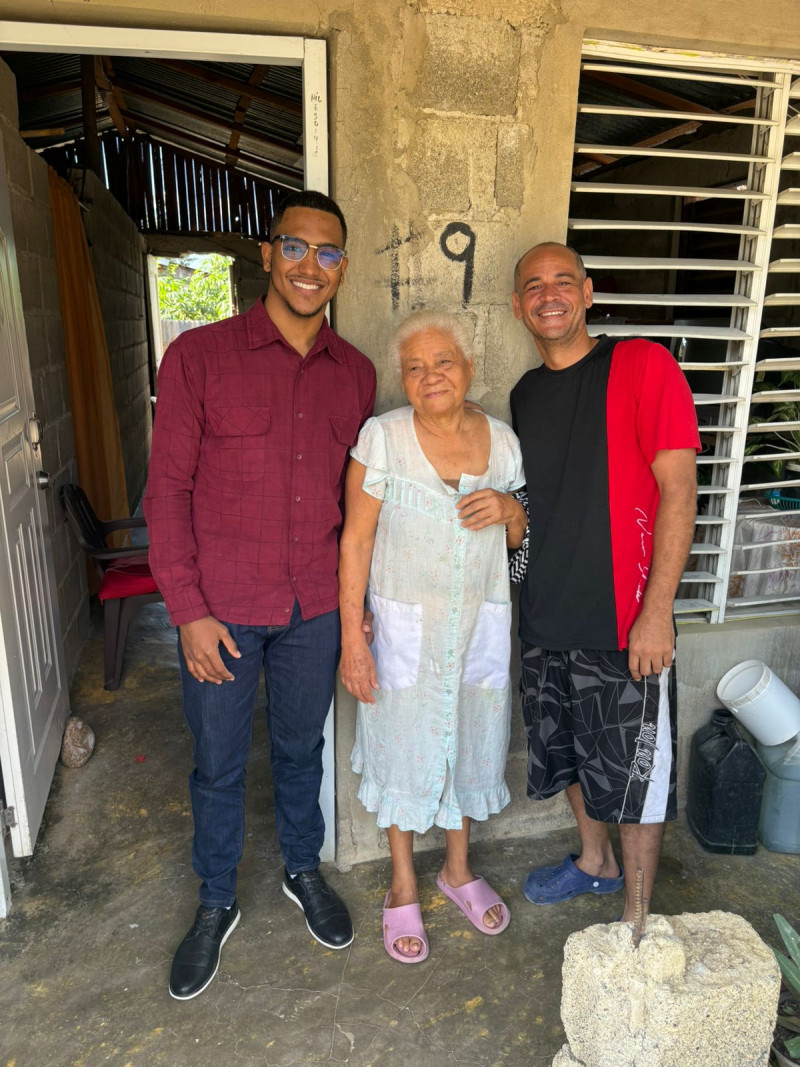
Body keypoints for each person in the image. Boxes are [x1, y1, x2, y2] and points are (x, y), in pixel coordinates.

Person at [144, 190, 376, 1000]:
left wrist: (355, 611)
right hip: (224, 609)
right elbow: (166, 493)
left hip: (312, 606)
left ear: (342, 267)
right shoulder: (198, 358)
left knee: (300, 750)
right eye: (297, 248)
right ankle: (215, 899)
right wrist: (187, 610)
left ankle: (302, 869)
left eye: (330, 252)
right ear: (269, 254)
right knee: (215, 764)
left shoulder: (356, 373)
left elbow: (358, 507)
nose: (312, 266)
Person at [508, 242, 699, 922]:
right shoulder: (525, 395)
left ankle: (638, 921)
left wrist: (657, 612)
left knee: (635, 777)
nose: (549, 294)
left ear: (588, 293)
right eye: (534, 285)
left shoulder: (644, 365)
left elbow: (680, 492)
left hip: (625, 622)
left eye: (564, 281)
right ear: (517, 304)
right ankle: (595, 862)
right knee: (568, 759)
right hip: (545, 617)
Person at [338, 310, 527, 963]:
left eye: (443, 361)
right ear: (403, 379)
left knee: (469, 739)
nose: (429, 376)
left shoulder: (503, 443)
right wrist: (351, 637)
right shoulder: (382, 439)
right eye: (414, 367)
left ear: (469, 367)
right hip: (402, 632)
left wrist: (510, 511)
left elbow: (521, 546)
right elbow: (356, 539)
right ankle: (403, 880)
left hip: (478, 626)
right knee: (402, 742)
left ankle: (457, 868)